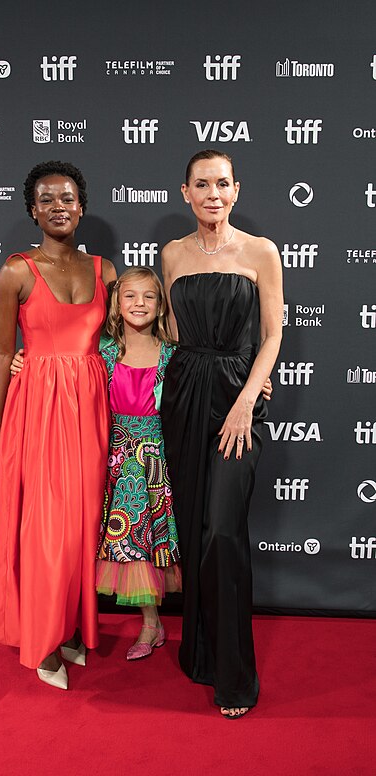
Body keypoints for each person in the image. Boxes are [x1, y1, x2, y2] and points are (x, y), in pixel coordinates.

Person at [0, 160, 116, 690]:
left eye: (68, 198)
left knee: (83, 522)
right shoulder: (15, 271)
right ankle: (41, 643)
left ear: (82, 207)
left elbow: (130, 340)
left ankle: (72, 629)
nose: (59, 207)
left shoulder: (105, 271)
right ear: (32, 210)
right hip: (36, 408)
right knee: (43, 526)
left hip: (90, 406)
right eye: (47, 199)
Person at [161, 149, 283, 718]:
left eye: (223, 183)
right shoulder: (172, 255)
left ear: (237, 190)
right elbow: (161, 330)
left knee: (222, 534)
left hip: (237, 397)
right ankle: (200, 653)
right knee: (193, 529)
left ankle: (235, 678)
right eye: (202, 184)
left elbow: (274, 335)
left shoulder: (261, 252)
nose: (214, 193)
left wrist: (246, 400)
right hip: (184, 396)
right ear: (185, 192)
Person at [11, 268, 182, 660]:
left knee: (151, 542)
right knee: (123, 542)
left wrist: (251, 383)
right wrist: (23, 361)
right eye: (130, 297)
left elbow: (204, 386)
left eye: (149, 298)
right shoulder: (104, 352)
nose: (139, 304)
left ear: (160, 307)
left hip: (157, 463)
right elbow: (62, 366)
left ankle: (152, 624)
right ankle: (146, 623)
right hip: (114, 461)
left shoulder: (173, 354)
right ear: (117, 306)